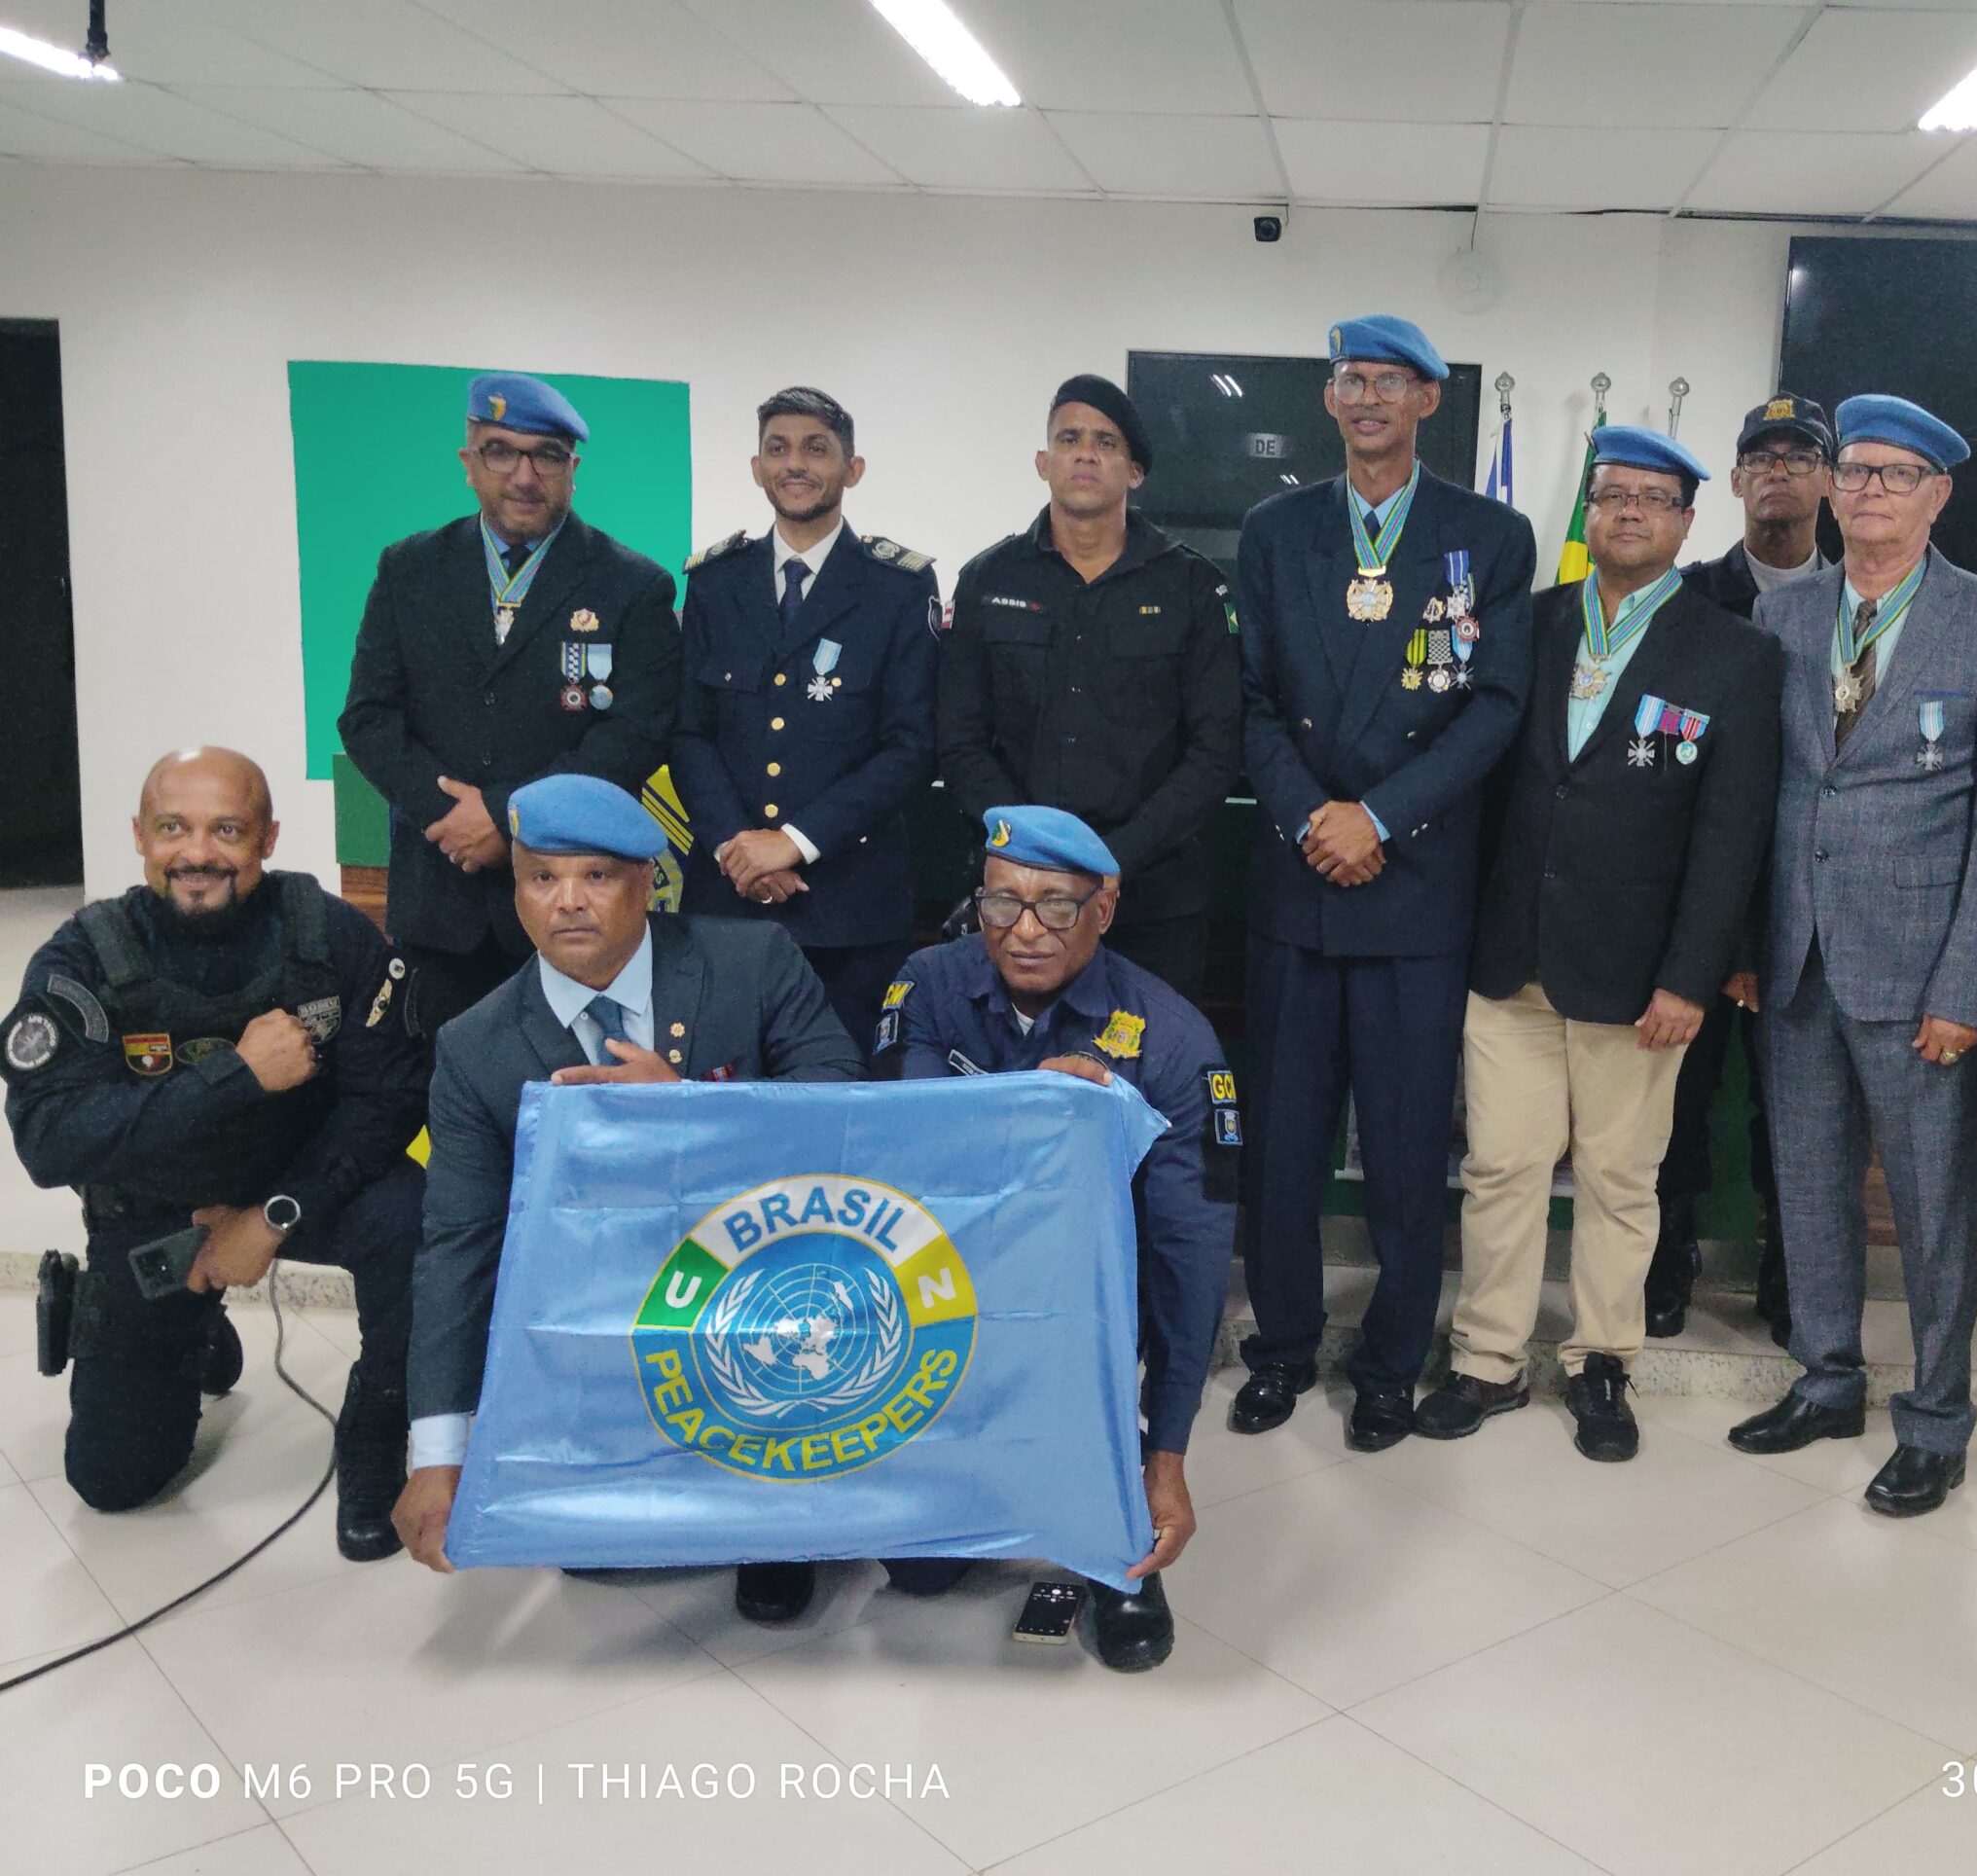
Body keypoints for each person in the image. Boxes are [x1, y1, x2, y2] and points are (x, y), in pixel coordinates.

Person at [390, 774, 862, 1624]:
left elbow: (843, 1106)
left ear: (649, 882)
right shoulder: (475, 1047)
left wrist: (690, 1110)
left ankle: (775, 1524)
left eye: (597, 877)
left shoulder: (750, 961)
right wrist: (437, 1454)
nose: (568, 902)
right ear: (518, 889)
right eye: (542, 878)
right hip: (604, 1300)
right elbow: (457, 1247)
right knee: (594, 1557)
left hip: (760, 1276)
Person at [1419, 428, 1780, 1461]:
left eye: (1651, 498)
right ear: (1585, 514)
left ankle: (1601, 1362)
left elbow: (1731, 833)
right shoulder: (1519, 628)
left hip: (1638, 977)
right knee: (1500, 1166)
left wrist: (1690, 974)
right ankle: (1487, 1357)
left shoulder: (1736, 654)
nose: (1628, 512)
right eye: (1611, 495)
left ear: (1684, 520)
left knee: (1623, 1177)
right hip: (1509, 957)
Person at [1727, 394, 1977, 1519]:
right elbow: (1757, 796)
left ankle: (1936, 1419)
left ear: (1938, 494)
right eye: (1853, 470)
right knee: (1808, 1191)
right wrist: (1744, 945)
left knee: (1930, 1209)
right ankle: (1825, 1380)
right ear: (1827, 485)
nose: (1867, 490)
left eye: (1894, 474)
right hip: (1793, 959)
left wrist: (1969, 982)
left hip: (1922, 978)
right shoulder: (1784, 616)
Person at [1229, 314, 1536, 1453]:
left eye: (1389, 380)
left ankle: (1393, 1362)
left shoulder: (1487, 534)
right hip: (1299, 881)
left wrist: (1380, 815)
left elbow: (1495, 705)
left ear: (1426, 399)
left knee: (1407, 1150)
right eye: (1349, 378)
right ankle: (1281, 1345)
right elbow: (1251, 700)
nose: (1367, 397)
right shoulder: (1276, 529)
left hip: (1413, 890)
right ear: (1328, 400)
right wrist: (1318, 814)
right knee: (1285, 1144)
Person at [2, 748, 426, 1558]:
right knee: (114, 1483)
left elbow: (390, 1097)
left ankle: (380, 1412)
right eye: (174, 828)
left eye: (226, 829)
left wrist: (271, 1217)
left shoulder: (329, 934)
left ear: (267, 837)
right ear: (139, 836)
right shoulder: (85, 957)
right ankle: (188, 1331)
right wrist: (235, 1076)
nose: (198, 852)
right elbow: (49, 1141)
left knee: (410, 1213)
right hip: (158, 1212)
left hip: (302, 1189)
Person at [872, 805, 1237, 1671]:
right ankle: (966, 1476)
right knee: (918, 1578)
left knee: (1117, 1338)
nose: (1025, 931)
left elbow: (1191, 1260)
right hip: (954, 1289)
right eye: (1003, 904)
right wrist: (1036, 1112)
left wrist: (1168, 1454)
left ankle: (1113, 1534)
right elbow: (904, 1149)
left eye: (1056, 906)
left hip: (1095, 1310)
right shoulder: (925, 984)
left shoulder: (1177, 1039)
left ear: (1102, 910)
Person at [338, 373, 681, 1034]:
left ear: (572, 468)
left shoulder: (632, 584)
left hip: (577, 904)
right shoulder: (409, 569)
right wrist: (451, 816)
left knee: (578, 1086)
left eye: (545, 455)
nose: (524, 475)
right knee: (439, 1102)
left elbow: (635, 735)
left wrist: (505, 814)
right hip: (441, 894)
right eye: (501, 451)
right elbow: (368, 718)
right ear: (469, 463)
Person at [938, 376, 1241, 1002]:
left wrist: (1111, 860)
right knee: (1014, 1086)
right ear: (1043, 462)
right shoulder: (986, 579)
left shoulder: (1190, 587)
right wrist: (1034, 857)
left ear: (1134, 472)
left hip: (1150, 896)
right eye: (1069, 438)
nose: (1085, 453)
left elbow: (1215, 751)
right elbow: (960, 739)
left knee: (1150, 1084)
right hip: (1014, 901)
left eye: (1106, 442)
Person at [671, 386, 938, 1051]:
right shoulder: (714, 582)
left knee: (841, 1112)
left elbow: (911, 747)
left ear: (853, 469)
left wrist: (794, 841)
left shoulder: (898, 588)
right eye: (778, 448)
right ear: (756, 467)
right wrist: (737, 846)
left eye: (816, 449)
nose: (795, 464)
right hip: (723, 902)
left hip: (848, 908)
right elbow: (688, 730)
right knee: (717, 1098)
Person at [1652, 394, 1837, 1345]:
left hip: (1810, 904)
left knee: (1793, 1100)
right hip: (1690, 894)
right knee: (1675, 1094)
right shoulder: (1683, 597)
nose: (1777, 471)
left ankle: (1785, 1259)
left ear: (1826, 479)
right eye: (1759, 457)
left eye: (1797, 455)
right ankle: (1668, 1249)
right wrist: (1719, 932)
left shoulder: (1861, 603)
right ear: (1732, 480)